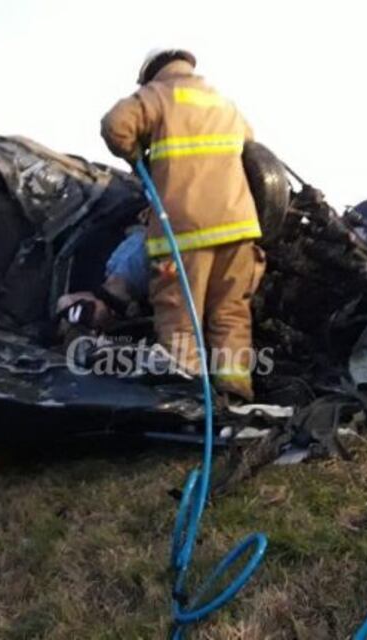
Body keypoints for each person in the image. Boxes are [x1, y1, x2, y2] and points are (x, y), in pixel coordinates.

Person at [101, 48, 265, 401]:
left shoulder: (156, 95)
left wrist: (136, 156)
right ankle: (235, 389)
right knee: (231, 312)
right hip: (238, 228)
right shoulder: (224, 103)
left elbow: (115, 126)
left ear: (151, 73)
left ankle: (190, 397)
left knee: (179, 314)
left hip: (183, 231)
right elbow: (252, 148)